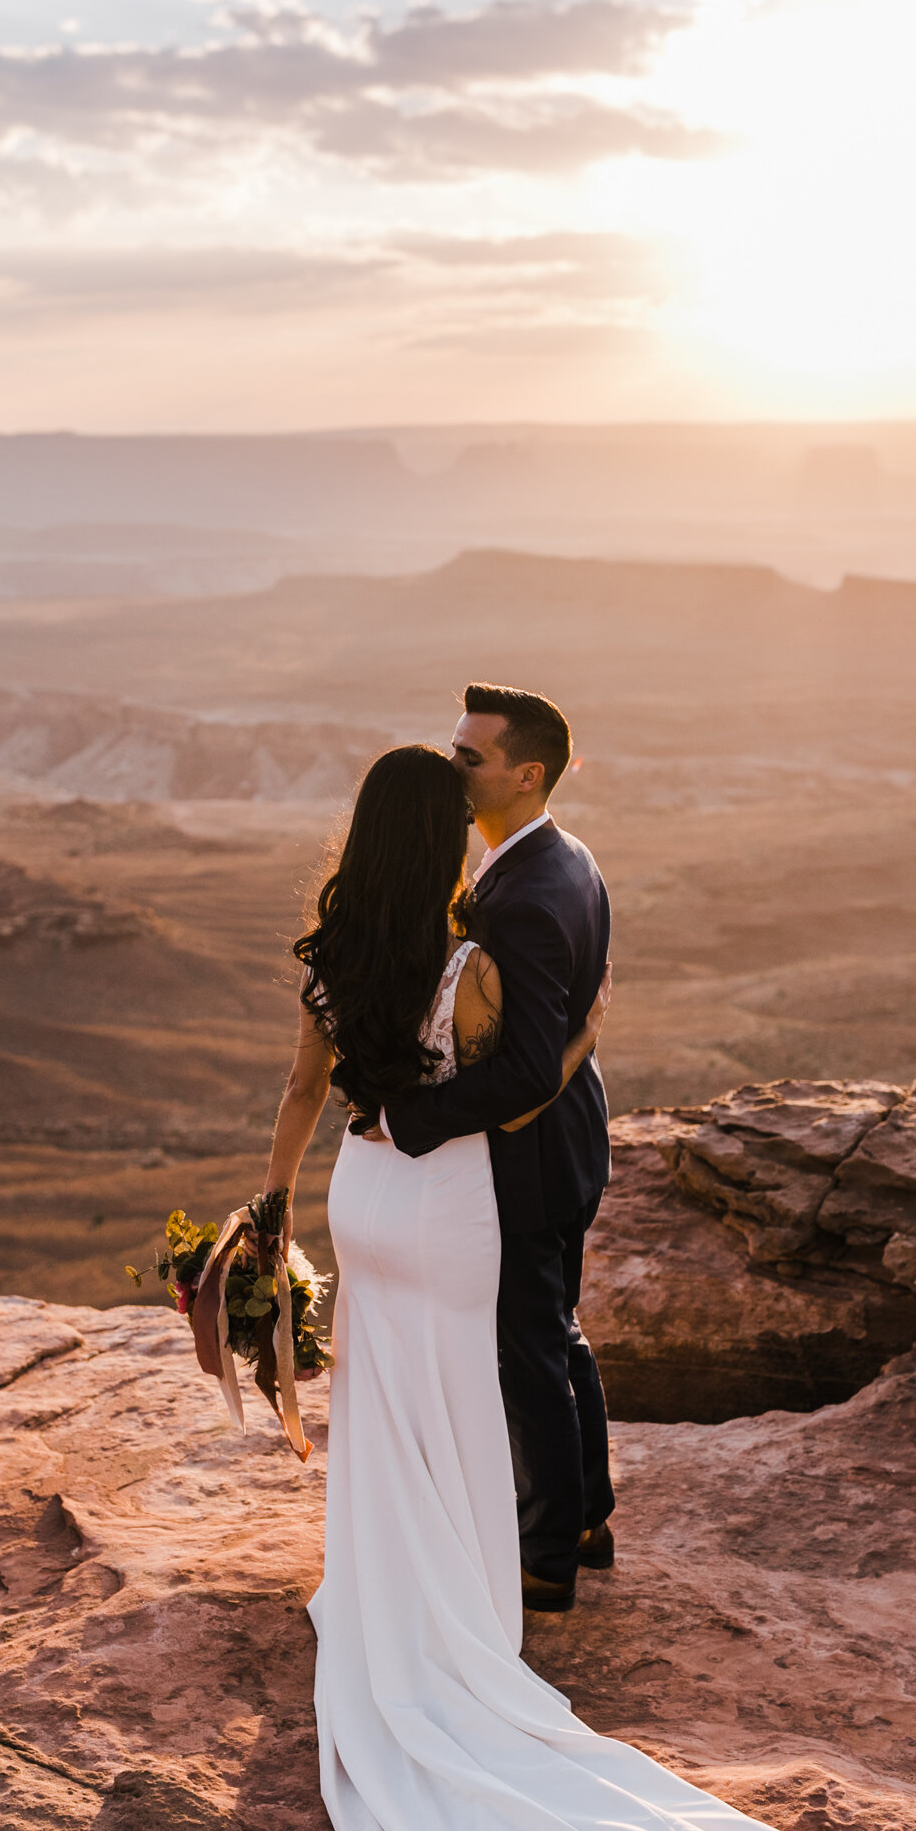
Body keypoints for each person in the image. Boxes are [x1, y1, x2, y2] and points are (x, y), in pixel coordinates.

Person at [260, 740, 805, 1831]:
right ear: (440, 843)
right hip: (448, 1203)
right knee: (459, 1395)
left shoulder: (328, 964)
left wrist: (269, 1207)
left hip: (359, 1195)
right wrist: (585, 1035)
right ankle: (466, 1596)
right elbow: (520, 1085)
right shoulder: (468, 969)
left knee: (377, 1392)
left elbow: (303, 1093)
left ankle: (373, 1578)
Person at [369, 683, 614, 1612]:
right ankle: (587, 1516)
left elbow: (518, 1073)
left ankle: (544, 1557)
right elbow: (557, 1035)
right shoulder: (564, 859)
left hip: (532, 1153)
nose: (450, 766)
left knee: (526, 1350)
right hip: (570, 1135)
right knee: (559, 1332)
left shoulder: (522, 896)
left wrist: (404, 1121)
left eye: (468, 757)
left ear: (527, 774)